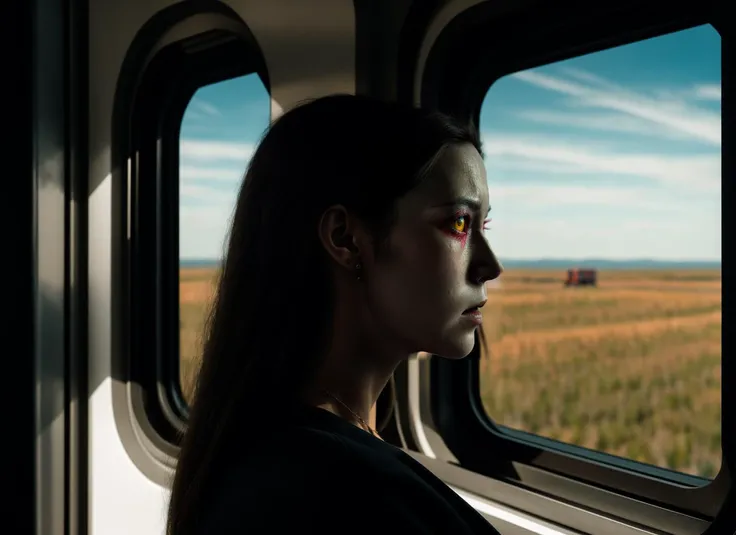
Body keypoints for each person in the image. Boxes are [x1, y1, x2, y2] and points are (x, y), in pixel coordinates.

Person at [166, 94, 503, 534]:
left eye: (484, 226)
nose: (490, 266)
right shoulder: (343, 493)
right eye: (458, 223)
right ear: (345, 239)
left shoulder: (290, 448)